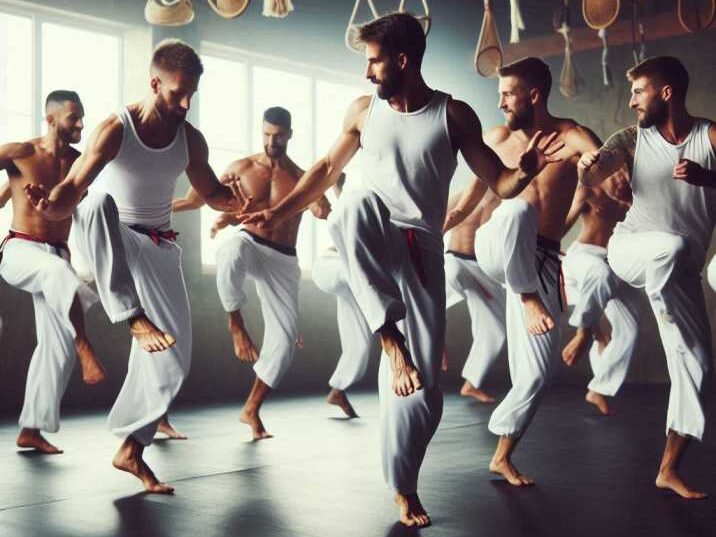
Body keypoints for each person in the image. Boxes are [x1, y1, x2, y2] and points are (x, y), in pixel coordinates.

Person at [238, 14, 562, 527]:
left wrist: (524, 170)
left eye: (374, 60)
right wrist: (279, 212)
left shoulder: (452, 116)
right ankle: (389, 342)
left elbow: (498, 183)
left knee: (425, 394)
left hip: (424, 250)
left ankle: (403, 483)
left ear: (404, 60)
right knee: (356, 203)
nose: (367, 72)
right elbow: (326, 170)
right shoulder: (363, 111)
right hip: (374, 234)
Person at [25, 40, 245, 493]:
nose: (185, 104)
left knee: (174, 357)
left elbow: (212, 194)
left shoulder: (190, 139)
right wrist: (50, 207)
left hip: (159, 246)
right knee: (97, 202)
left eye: (192, 95)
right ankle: (130, 314)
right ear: (154, 83)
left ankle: (131, 448)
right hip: (111, 234)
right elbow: (73, 187)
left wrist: (234, 200)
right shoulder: (115, 128)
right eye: (176, 93)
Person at [579, 56, 715, 499]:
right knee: (671, 244)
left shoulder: (709, 136)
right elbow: (600, 168)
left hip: (680, 273)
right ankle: (664, 311)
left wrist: (707, 177)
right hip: (632, 251)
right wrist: (588, 167)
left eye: (640, 91)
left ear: (667, 93)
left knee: (697, 367)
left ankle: (669, 468)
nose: (633, 100)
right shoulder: (631, 140)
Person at [474, 57, 603, 486]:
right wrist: (430, 234)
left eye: (507, 94)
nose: (501, 104)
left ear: (533, 95)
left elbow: (604, 160)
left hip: (542, 260)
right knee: (518, 210)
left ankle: (502, 456)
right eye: (499, 95)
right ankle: (526, 295)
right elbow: (464, 200)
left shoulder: (571, 136)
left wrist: (591, 165)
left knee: (536, 375)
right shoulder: (496, 139)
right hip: (497, 245)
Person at [173, 106, 330, 439]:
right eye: (266, 134)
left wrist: (319, 199)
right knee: (231, 248)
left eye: (278, 135)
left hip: (283, 259)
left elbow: (321, 210)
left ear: (289, 134)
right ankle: (236, 324)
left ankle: (251, 409)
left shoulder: (301, 176)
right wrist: (161, 207)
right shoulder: (242, 168)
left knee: (285, 342)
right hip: (251, 243)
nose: (272, 141)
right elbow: (202, 197)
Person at [0, 91, 103, 454]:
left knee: (57, 350)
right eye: (73, 117)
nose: (80, 125)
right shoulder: (20, 153)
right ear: (50, 119)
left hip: (57, 255)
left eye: (81, 118)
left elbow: (88, 211)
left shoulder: (79, 164)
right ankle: (85, 345)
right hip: (20, 250)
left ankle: (31, 428)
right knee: (59, 273)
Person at [561, 167, 639, 415]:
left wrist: (630, 202)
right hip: (584, 259)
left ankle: (599, 388)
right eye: (617, 174)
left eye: (627, 174)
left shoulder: (633, 196)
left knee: (630, 330)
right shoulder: (588, 191)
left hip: (616, 260)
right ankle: (583, 331)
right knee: (599, 275)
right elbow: (561, 226)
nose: (622, 179)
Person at [311, 173, 373, 418]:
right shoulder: (363, 211)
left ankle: (338, 390)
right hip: (331, 266)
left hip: (349, 281)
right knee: (364, 274)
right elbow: (346, 211)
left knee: (360, 345)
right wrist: (336, 186)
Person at [444, 187, 505, 403]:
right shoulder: (463, 196)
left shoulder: (506, 199)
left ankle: (471, 383)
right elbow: (435, 222)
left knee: (497, 329)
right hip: (456, 260)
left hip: (482, 268)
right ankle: (433, 342)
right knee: (450, 275)